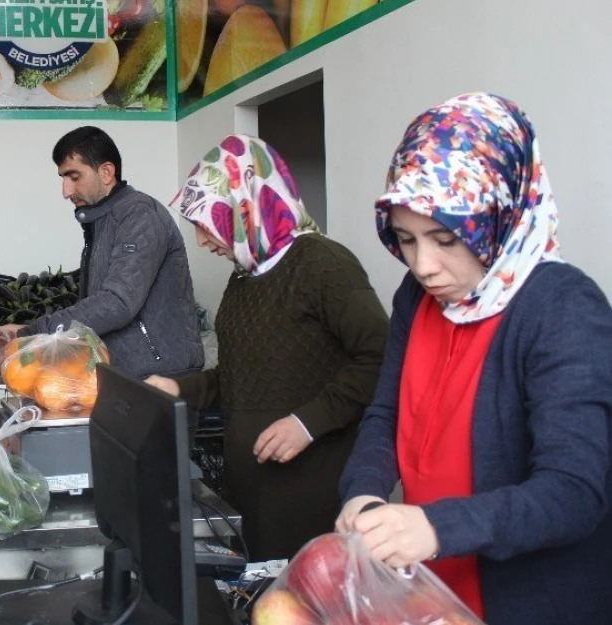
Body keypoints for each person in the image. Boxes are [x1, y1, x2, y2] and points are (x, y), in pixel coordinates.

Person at [337, 93, 612, 624]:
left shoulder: (562, 308)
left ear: (501, 217)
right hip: (434, 588)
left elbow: (574, 492)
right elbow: (385, 415)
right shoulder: (415, 298)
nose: (423, 265)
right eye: (406, 239)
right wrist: (366, 493)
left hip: (528, 599)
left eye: (446, 239)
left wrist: (438, 528)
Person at [146, 134, 389, 561]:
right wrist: (177, 389)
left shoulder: (323, 265)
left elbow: (382, 355)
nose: (202, 241)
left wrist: (307, 422)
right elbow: (238, 375)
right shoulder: (244, 277)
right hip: (252, 485)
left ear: (246, 206)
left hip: (309, 489)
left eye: (207, 224)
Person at [0, 126, 204, 378]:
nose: (66, 191)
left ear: (106, 172)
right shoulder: (104, 220)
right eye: (62, 178)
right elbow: (94, 306)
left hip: (162, 376)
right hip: (129, 374)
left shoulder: (139, 215)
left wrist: (31, 334)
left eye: (74, 177)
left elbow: (117, 303)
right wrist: (26, 330)